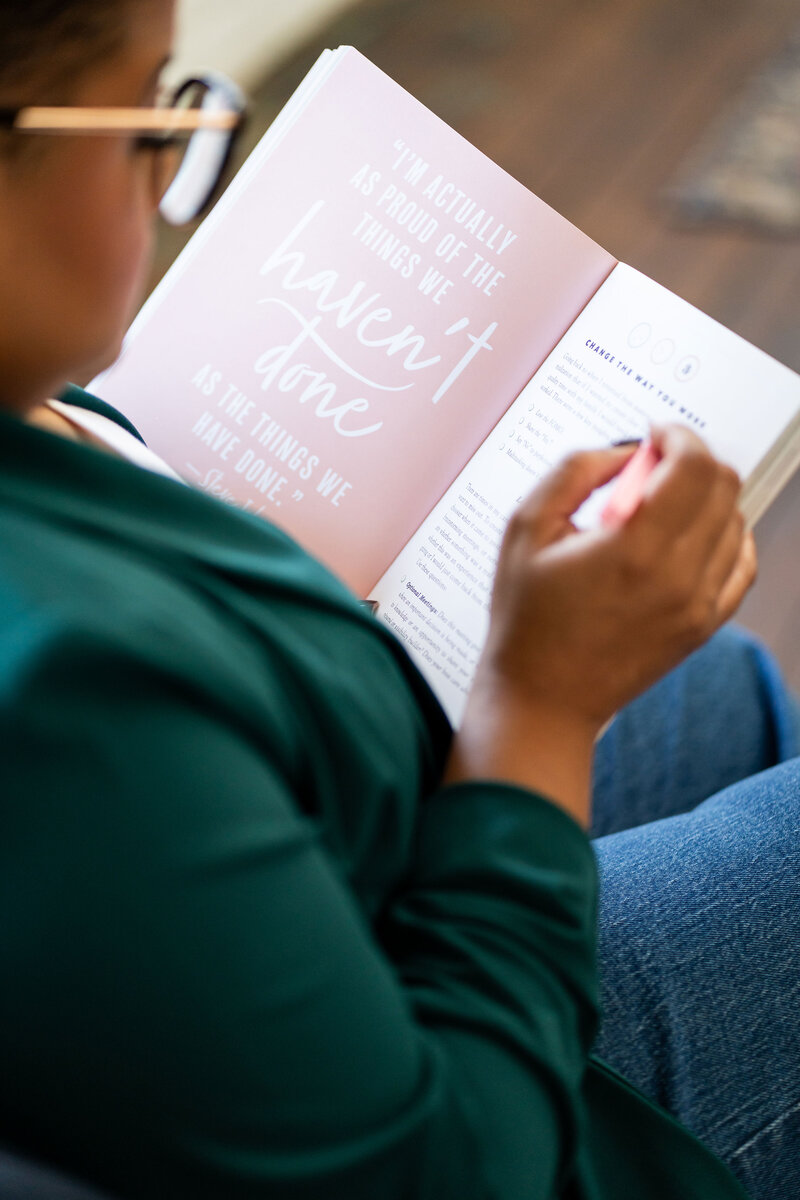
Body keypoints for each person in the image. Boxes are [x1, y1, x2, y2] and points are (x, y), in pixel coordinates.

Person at [0, 1, 798, 1197]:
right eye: (144, 122)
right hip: (469, 1120)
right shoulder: (66, 717)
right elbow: (453, 1165)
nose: (171, 171)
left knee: (707, 683)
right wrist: (536, 705)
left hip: (273, 898)